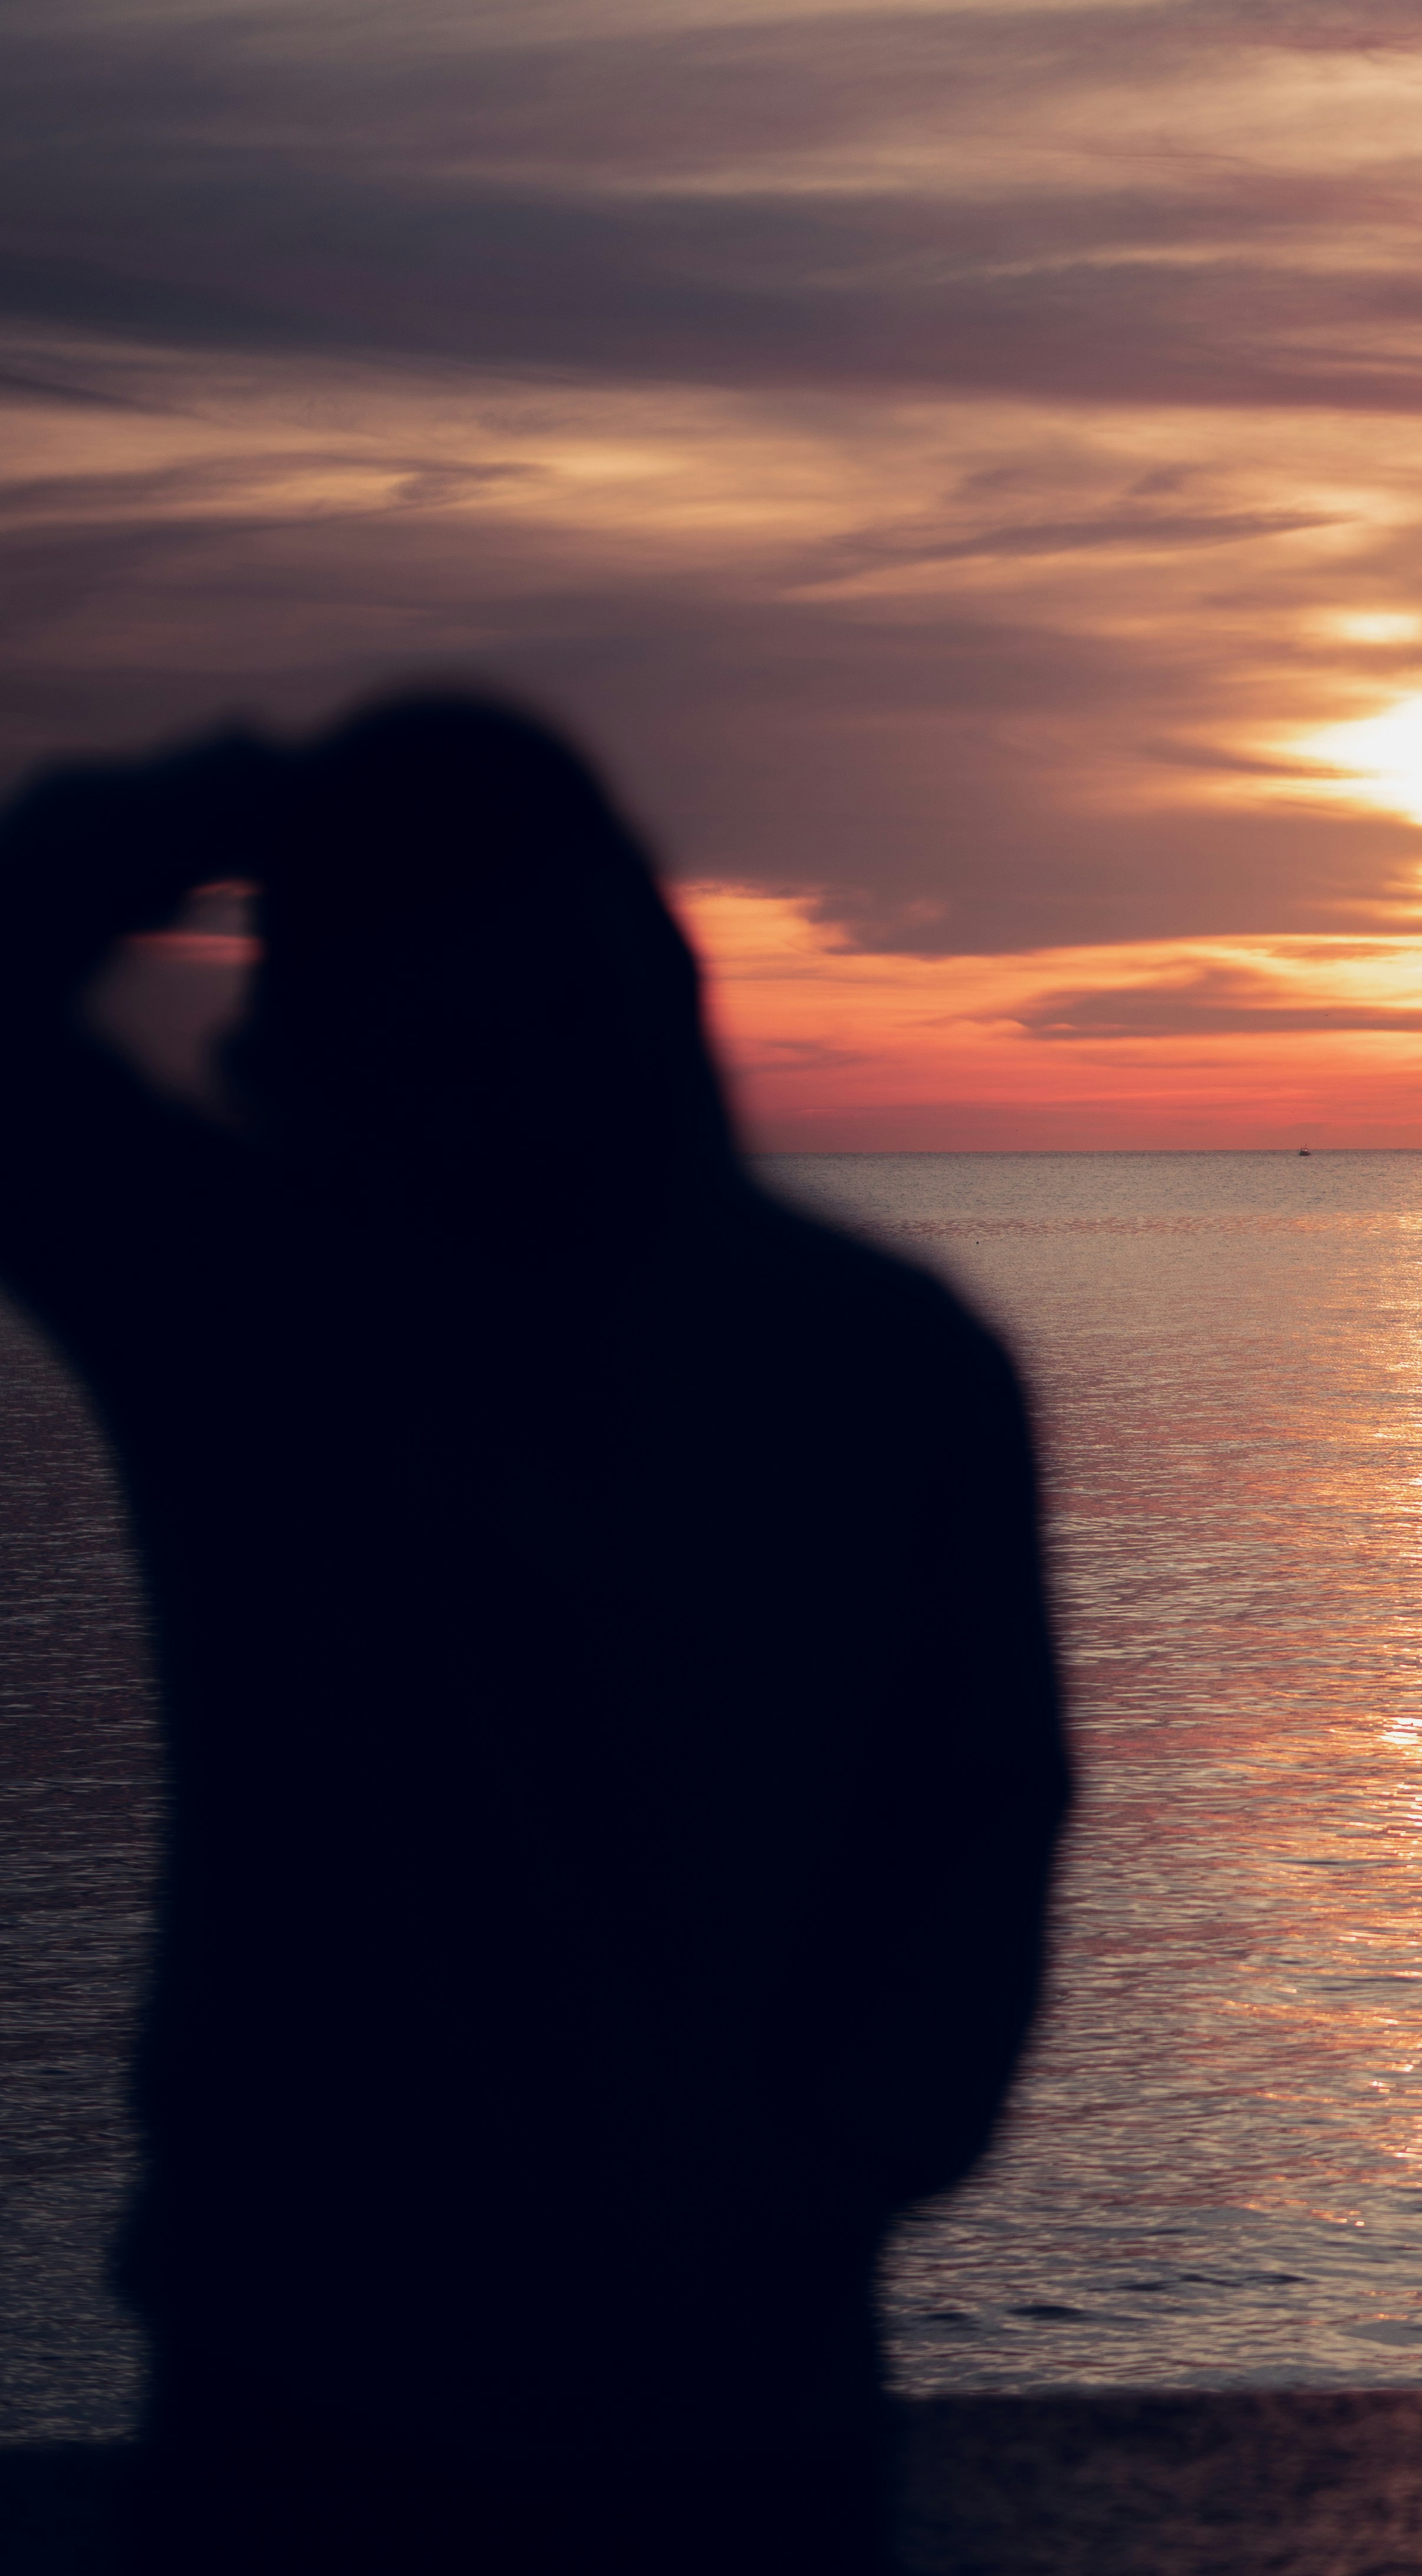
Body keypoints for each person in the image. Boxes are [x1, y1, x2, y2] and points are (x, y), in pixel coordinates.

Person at [0, 694, 1069, 2572]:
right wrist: (832, 2166)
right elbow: (979, 1829)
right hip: (544, 2381)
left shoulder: (251, 1313)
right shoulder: (876, 1357)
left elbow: (980, 1820)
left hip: (469, 2376)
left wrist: (221, 799)